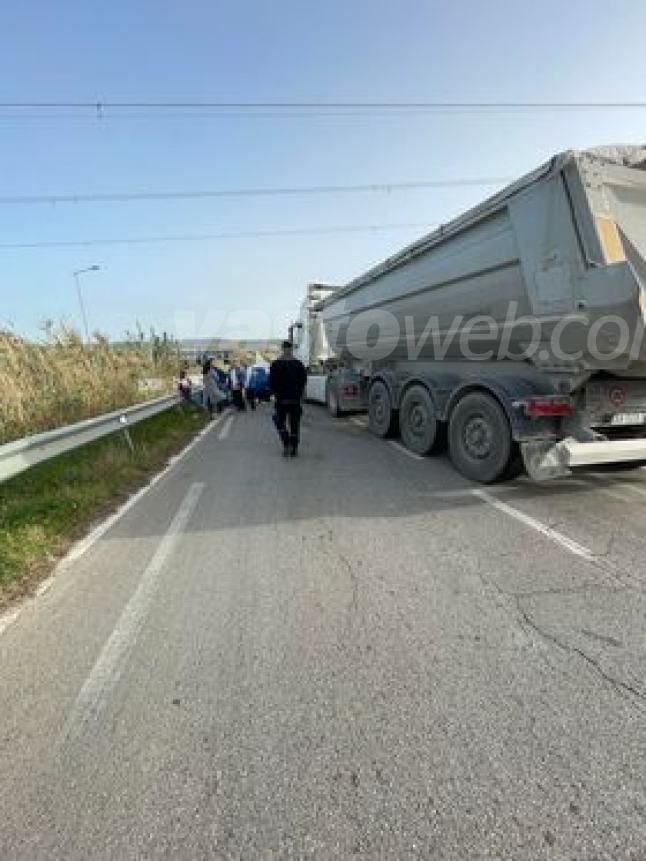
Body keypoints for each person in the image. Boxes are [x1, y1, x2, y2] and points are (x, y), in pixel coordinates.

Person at [269, 340, 307, 456]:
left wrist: (273, 395)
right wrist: (301, 396)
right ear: (291, 349)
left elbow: (272, 382)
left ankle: (286, 444)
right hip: (295, 400)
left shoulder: (276, 364)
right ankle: (294, 448)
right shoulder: (299, 364)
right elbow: (303, 382)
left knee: (279, 422)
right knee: (294, 425)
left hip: (281, 400)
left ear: (283, 349)